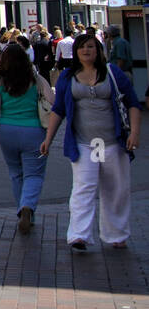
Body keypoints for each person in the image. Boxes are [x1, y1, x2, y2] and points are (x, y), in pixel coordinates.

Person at [42, 32, 142, 251]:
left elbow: (133, 102)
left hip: (113, 142)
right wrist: (48, 139)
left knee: (116, 189)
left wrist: (134, 132)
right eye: (82, 47)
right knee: (83, 188)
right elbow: (58, 110)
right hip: (83, 143)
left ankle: (116, 234)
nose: (86, 51)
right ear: (76, 52)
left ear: (98, 51)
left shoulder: (113, 73)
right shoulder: (68, 77)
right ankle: (79, 236)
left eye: (90, 47)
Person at [0, 43, 54, 235]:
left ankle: (21, 208)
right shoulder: (36, 79)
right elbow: (52, 102)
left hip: (7, 131)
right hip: (34, 131)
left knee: (16, 173)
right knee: (34, 174)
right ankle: (28, 207)